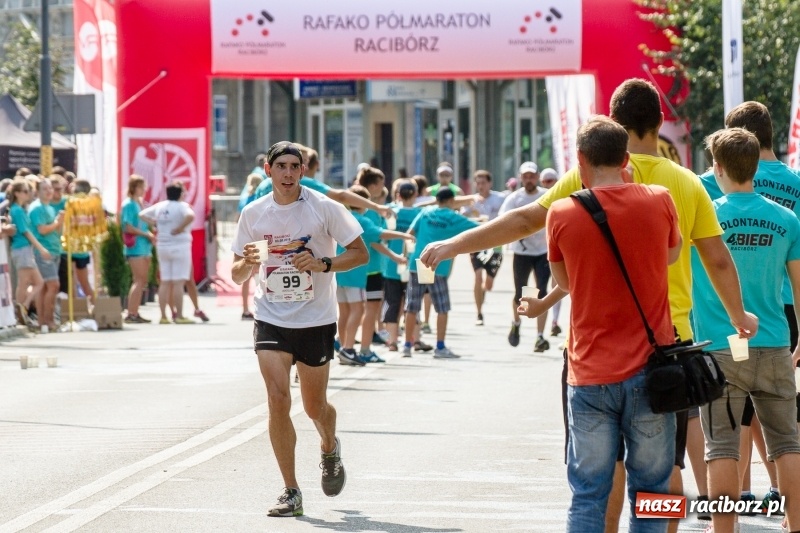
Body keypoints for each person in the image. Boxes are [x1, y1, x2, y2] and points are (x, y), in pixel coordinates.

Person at [420, 78, 759, 532]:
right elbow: (717, 260)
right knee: (661, 476)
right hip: (665, 348)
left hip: (591, 353)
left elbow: (524, 221)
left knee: (596, 479)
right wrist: (738, 316)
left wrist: (456, 244)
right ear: (660, 121)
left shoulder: (583, 180)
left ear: (612, 125)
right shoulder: (682, 185)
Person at [548, 115, 682, 532]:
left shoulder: (561, 213)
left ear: (581, 160)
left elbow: (564, 282)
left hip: (589, 374)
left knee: (588, 491)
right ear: (627, 159)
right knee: (653, 491)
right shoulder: (660, 199)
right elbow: (671, 257)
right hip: (652, 372)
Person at [231, 141, 368, 517]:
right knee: (277, 399)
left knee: (314, 406)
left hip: (315, 319)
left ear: (303, 172)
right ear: (268, 169)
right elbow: (237, 273)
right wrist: (247, 262)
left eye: (295, 167)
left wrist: (323, 264)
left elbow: (360, 253)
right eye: (282, 167)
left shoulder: (324, 208)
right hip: (270, 316)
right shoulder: (253, 213)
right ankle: (291, 489)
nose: (288, 174)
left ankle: (329, 447)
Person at [696, 127, 800, 533]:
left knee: (721, 448)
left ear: (718, 168)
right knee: (787, 444)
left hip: (721, 348)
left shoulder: (707, 217)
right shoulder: (786, 218)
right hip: (774, 343)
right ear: (756, 167)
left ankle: (724, 530)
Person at [335, 184, 413, 365]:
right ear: (363, 203)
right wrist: (404, 237)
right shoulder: (361, 220)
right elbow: (379, 234)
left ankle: (342, 345)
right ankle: (348, 348)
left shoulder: (342, 218)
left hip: (339, 271)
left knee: (345, 311)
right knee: (358, 310)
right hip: (355, 273)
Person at [404, 188, 479, 358]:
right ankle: (440, 346)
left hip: (419, 261)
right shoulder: (454, 217)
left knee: (412, 306)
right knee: (442, 307)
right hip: (436, 264)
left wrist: (408, 254)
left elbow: (409, 234)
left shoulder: (425, 212)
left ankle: (407, 345)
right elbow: (477, 229)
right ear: (451, 201)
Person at [499, 161, 551, 352]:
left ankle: (539, 336)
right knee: (520, 294)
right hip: (521, 252)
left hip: (543, 251)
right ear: (521, 178)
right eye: (525, 176)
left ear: (537, 177)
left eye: (532, 176)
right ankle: (516, 323)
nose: (529, 179)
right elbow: (502, 219)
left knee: (542, 292)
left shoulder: (546, 195)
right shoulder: (514, 199)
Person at [139, 181, 195, 324]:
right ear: (180, 193)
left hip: (162, 245)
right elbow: (191, 216)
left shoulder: (161, 206)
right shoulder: (182, 206)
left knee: (165, 281)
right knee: (178, 282)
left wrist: (155, 223)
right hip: (180, 245)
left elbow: (142, 214)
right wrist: (180, 228)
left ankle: (163, 316)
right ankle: (180, 315)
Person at [461, 170, 505, 326]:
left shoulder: (499, 199)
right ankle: (479, 313)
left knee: (488, 284)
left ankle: (483, 292)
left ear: (489, 183)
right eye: (477, 183)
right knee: (477, 276)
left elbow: (508, 215)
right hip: (476, 243)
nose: (480, 186)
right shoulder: (471, 201)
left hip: (495, 244)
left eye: (483, 183)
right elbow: (461, 218)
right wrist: (472, 213)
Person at [7, 177, 50, 325]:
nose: (28, 194)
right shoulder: (17, 210)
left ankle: (22, 307)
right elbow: (26, 232)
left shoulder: (19, 209)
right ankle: (20, 310)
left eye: (28, 191)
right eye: (25, 191)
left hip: (24, 249)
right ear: (17, 193)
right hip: (22, 248)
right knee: (25, 282)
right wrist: (41, 248)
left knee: (36, 282)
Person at [28, 176, 64, 331]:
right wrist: (57, 222)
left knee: (45, 287)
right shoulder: (36, 208)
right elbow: (42, 229)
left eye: (50, 188)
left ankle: (43, 321)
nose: (49, 191)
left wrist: (59, 223)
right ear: (37, 191)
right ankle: (48, 320)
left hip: (54, 249)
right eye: (45, 188)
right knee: (53, 285)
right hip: (43, 251)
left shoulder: (50, 207)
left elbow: (55, 229)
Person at [121, 175, 156, 324]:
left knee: (142, 281)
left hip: (143, 246)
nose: (144, 190)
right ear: (134, 187)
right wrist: (145, 234)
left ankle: (134, 311)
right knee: (139, 279)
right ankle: (131, 313)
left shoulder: (139, 203)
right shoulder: (129, 204)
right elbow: (127, 226)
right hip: (135, 247)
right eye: (141, 187)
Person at [238, 172, 264, 320]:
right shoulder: (259, 199)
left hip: (244, 239)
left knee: (246, 277)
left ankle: (245, 308)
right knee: (261, 275)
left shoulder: (244, 199)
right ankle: (261, 307)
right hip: (257, 240)